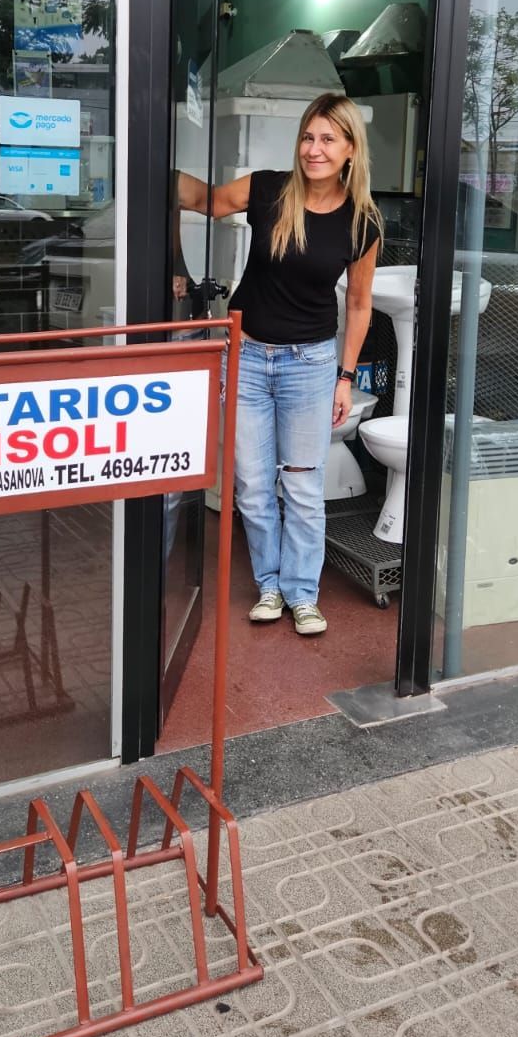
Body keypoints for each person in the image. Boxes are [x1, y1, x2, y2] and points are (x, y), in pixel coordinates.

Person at [178, 92, 381, 637]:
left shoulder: (361, 221)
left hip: (309, 365)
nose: (314, 149)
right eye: (308, 137)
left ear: (349, 150)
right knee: (251, 485)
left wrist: (346, 375)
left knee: (303, 484)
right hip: (245, 356)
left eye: (327, 139)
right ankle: (269, 586)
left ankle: (303, 594)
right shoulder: (268, 188)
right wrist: (148, 159)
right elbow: (206, 202)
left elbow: (359, 304)